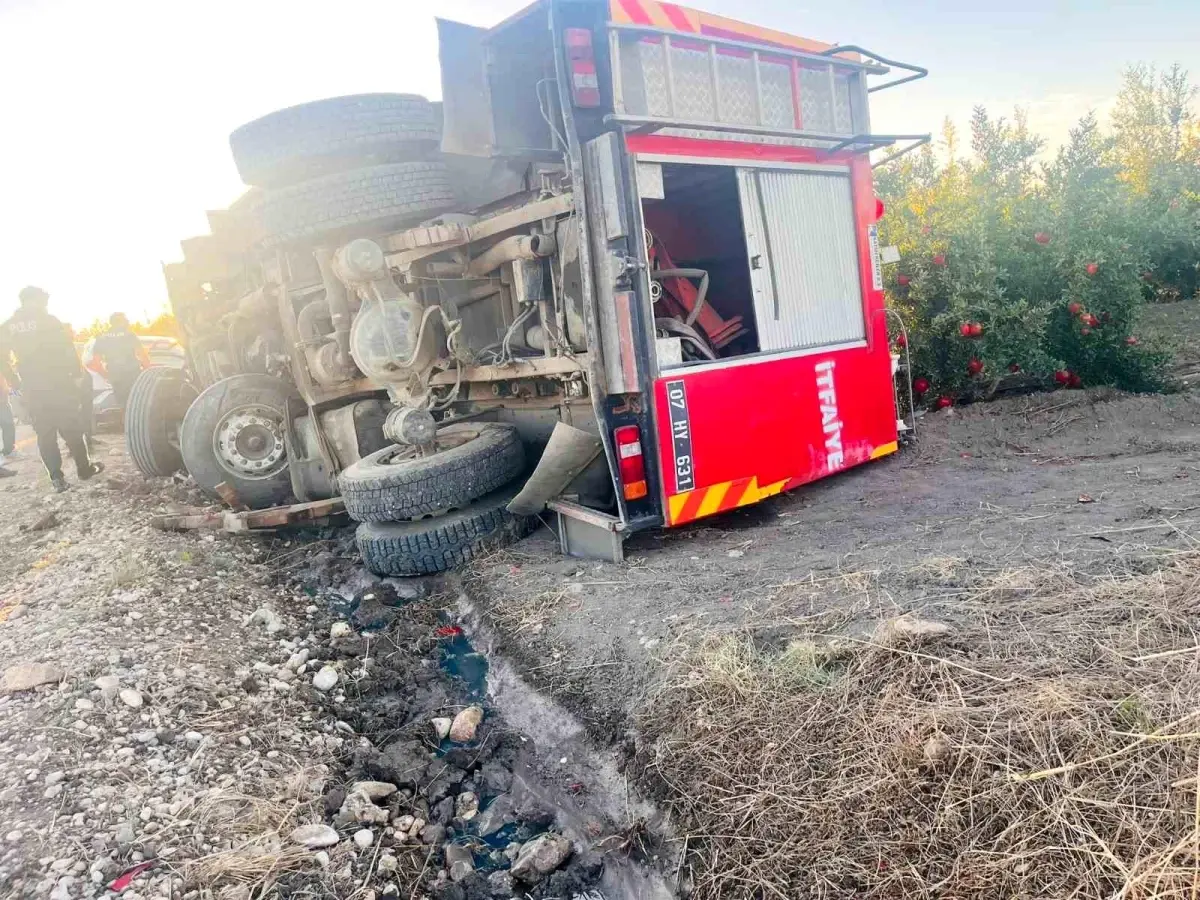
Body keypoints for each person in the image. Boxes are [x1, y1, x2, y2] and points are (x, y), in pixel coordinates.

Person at [0, 286, 103, 492]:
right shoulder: (49, 320)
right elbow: (68, 348)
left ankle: (56, 478)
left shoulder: (8, 326)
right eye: (44, 301)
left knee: (45, 433)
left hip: (32, 388)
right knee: (72, 428)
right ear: (36, 300)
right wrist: (76, 376)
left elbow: (2, 357)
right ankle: (84, 469)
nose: (45, 305)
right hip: (59, 384)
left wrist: (16, 383)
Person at [89, 312, 150, 414]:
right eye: (126, 320)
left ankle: (124, 421)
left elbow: (95, 363)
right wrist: (147, 372)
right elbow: (142, 355)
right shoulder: (130, 335)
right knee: (138, 405)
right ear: (121, 322)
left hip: (115, 376)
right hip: (133, 375)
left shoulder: (102, 338)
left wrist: (107, 376)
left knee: (123, 406)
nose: (128, 322)